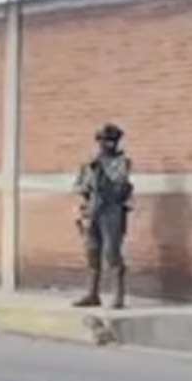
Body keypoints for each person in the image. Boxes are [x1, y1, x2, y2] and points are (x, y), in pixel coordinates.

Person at [73, 123, 134, 309]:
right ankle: (93, 293)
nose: (105, 145)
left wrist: (101, 166)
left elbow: (119, 179)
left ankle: (119, 295)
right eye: (102, 140)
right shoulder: (89, 162)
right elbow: (79, 185)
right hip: (93, 209)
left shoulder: (121, 161)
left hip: (112, 210)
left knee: (111, 252)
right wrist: (82, 206)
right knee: (92, 250)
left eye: (110, 141)